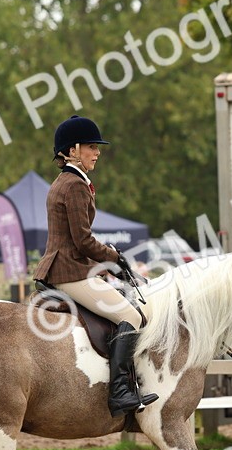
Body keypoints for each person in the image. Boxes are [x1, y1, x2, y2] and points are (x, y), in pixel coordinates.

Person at [32, 115, 157, 415]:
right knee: (131, 315)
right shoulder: (74, 185)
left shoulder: (67, 182)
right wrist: (115, 257)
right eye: (91, 147)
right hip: (68, 272)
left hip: (68, 267)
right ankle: (120, 392)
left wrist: (108, 265)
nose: (97, 152)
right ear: (72, 150)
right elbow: (83, 241)